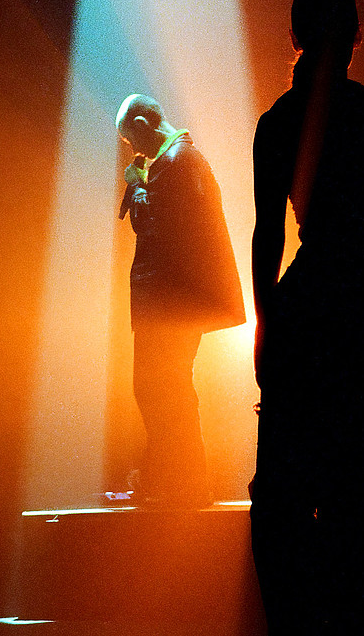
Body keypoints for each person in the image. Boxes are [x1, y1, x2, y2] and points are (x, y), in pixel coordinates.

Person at [249, 0, 364, 634]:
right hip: (360, 317)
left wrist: (268, 326)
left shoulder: (277, 123)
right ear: (352, 38)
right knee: (354, 497)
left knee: (282, 502)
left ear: (295, 37)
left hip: (306, 309)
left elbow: (267, 235)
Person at [116, 94, 244, 506]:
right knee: (166, 389)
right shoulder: (182, 161)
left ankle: (179, 483)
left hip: (169, 304)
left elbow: (154, 224)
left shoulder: (174, 163)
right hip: (174, 302)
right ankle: (174, 480)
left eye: (131, 140)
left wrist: (137, 186)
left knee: (158, 389)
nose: (134, 151)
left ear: (143, 123)